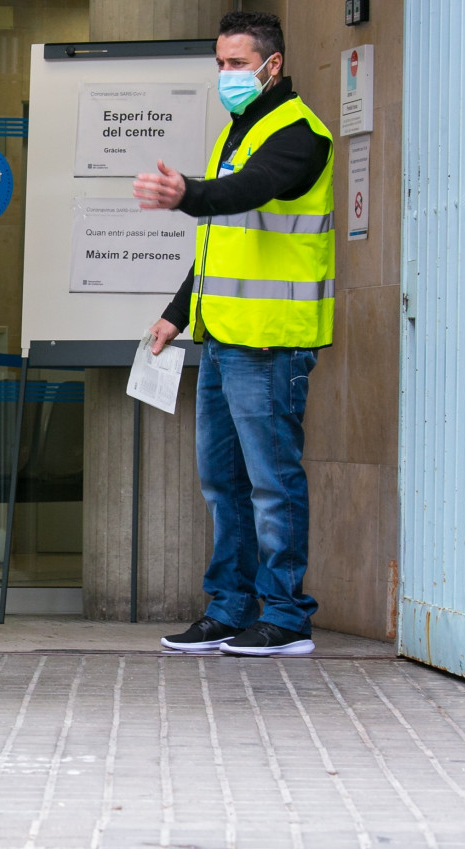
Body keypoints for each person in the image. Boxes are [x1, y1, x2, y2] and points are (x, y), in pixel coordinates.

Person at [132, 11, 334, 657]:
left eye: (238, 63)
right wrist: (176, 311)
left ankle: (286, 617)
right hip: (222, 338)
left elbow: (248, 192)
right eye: (220, 63)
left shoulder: (300, 134)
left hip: (271, 342)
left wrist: (187, 191)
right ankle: (228, 608)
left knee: (272, 483)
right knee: (223, 482)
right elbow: (220, 246)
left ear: (273, 64)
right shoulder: (240, 132)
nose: (227, 75)